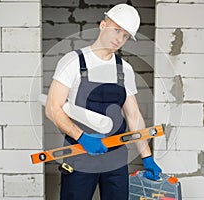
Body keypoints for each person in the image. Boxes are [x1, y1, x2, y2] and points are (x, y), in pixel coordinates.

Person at [45, 3, 162, 200]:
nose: (119, 39)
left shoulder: (124, 69)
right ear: (102, 25)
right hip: (80, 154)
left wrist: (147, 157)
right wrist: (82, 137)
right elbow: (52, 109)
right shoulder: (73, 61)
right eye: (117, 30)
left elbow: (133, 116)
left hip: (116, 158)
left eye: (125, 35)